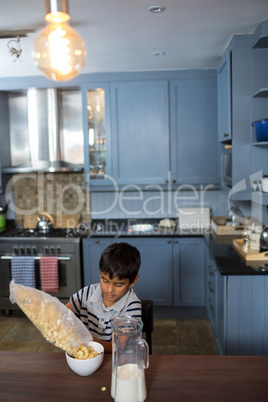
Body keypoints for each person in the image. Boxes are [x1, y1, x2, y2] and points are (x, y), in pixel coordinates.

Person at [66, 242, 142, 353]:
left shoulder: (132, 307)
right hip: (87, 358)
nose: (109, 290)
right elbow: (63, 313)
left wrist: (83, 341)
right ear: (100, 274)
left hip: (116, 361)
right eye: (105, 281)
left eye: (119, 284)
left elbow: (119, 346)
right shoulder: (87, 293)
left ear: (133, 281)